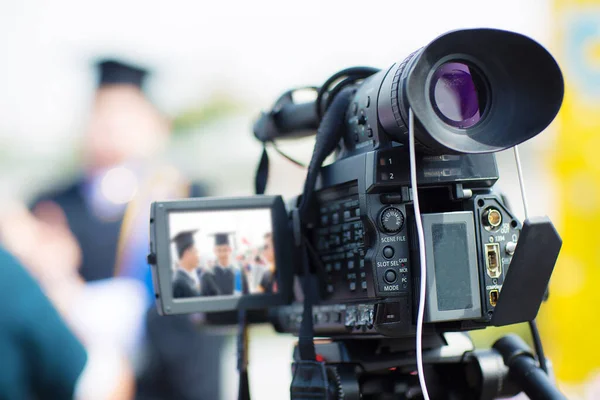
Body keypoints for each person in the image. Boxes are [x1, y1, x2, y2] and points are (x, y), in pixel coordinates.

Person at [171, 230, 201, 298]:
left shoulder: (188, 278)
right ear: (187, 253)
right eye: (196, 252)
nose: (198, 256)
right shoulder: (179, 282)